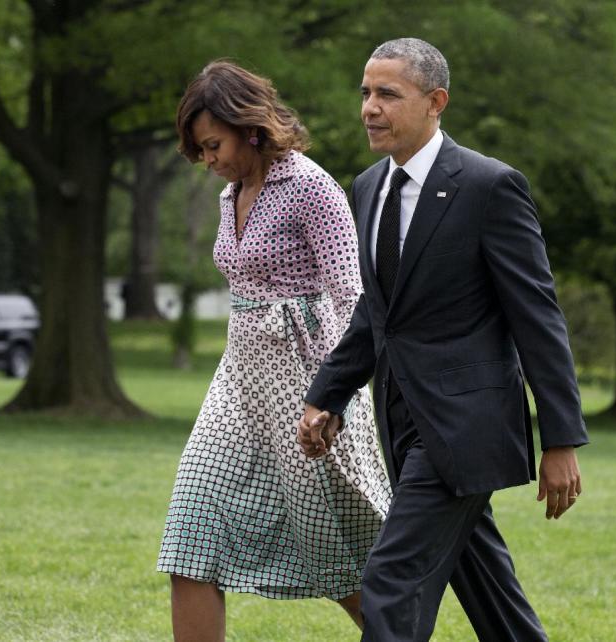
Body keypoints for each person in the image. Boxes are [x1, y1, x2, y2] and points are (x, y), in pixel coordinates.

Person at [297, 38, 589, 641]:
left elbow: (538, 318)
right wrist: (330, 392)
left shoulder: (490, 186)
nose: (369, 108)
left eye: (387, 94)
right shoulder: (368, 187)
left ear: (436, 102)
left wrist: (560, 439)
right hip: (402, 421)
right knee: (486, 585)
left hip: (469, 422)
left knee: (392, 577)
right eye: (365, 93)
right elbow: (375, 315)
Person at [156, 61, 392, 641]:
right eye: (200, 151)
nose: (208, 161)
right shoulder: (228, 196)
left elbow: (352, 296)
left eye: (213, 145)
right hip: (239, 383)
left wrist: (335, 396)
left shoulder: (311, 187)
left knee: (334, 547)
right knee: (190, 533)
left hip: (307, 381)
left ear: (251, 128)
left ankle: (400, 633)